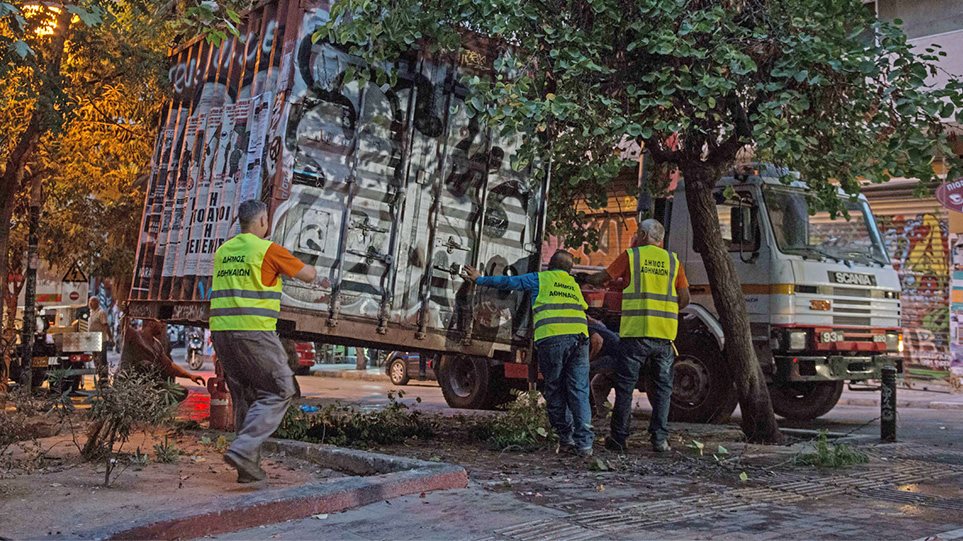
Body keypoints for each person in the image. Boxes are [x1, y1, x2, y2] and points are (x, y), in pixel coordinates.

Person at [210, 199, 317, 483]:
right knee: (281, 389)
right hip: (254, 332)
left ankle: (248, 469)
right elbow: (308, 274)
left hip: (221, 334)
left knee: (245, 394)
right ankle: (244, 449)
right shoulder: (267, 249)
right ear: (262, 222)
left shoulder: (223, 252)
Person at [463, 250, 594, 457]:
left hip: (553, 339)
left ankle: (566, 439)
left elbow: (509, 283)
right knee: (579, 390)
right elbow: (583, 308)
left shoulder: (539, 278)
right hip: (580, 339)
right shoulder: (573, 285)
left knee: (555, 389)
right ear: (569, 270)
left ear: (549, 266)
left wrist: (480, 279)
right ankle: (585, 445)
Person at [584, 219, 689, 453]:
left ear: (642, 234)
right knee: (662, 390)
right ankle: (660, 440)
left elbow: (603, 278)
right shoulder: (673, 261)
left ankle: (619, 439)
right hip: (664, 337)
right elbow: (684, 298)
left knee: (625, 387)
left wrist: (584, 278)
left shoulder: (633, 256)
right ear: (660, 239)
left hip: (636, 335)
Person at [119, 319, 205, 402]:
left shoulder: (157, 345)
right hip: (129, 384)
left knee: (179, 391)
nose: (163, 325)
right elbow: (124, 323)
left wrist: (190, 376)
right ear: (151, 323)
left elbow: (169, 365)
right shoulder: (133, 335)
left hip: (148, 386)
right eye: (161, 321)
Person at [587, 316, 621, 418]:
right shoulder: (598, 325)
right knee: (597, 384)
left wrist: (590, 359)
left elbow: (598, 342)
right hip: (620, 355)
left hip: (614, 357)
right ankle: (604, 412)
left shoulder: (587, 328)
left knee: (583, 370)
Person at [86, 297, 114, 385]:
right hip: (93, 340)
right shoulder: (91, 313)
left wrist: (110, 337)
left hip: (101, 340)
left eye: (92, 302)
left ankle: (104, 380)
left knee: (102, 360)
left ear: (97, 303)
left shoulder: (101, 312)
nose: (90, 304)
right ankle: (100, 378)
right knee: (96, 360)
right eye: (90, 302)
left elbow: (106, 326)